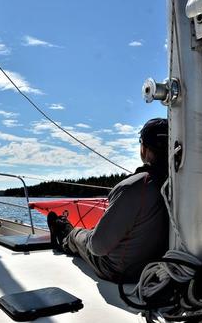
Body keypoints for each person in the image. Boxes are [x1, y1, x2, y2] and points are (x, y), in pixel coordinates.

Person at [47, 118, 169, 283]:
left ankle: (64, 234)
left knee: (79, 235)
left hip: (120, 271)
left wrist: (89, 235)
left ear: (144, 149)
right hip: (163, 268)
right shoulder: (186, 187)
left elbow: (98, 247)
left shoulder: (134, 187)